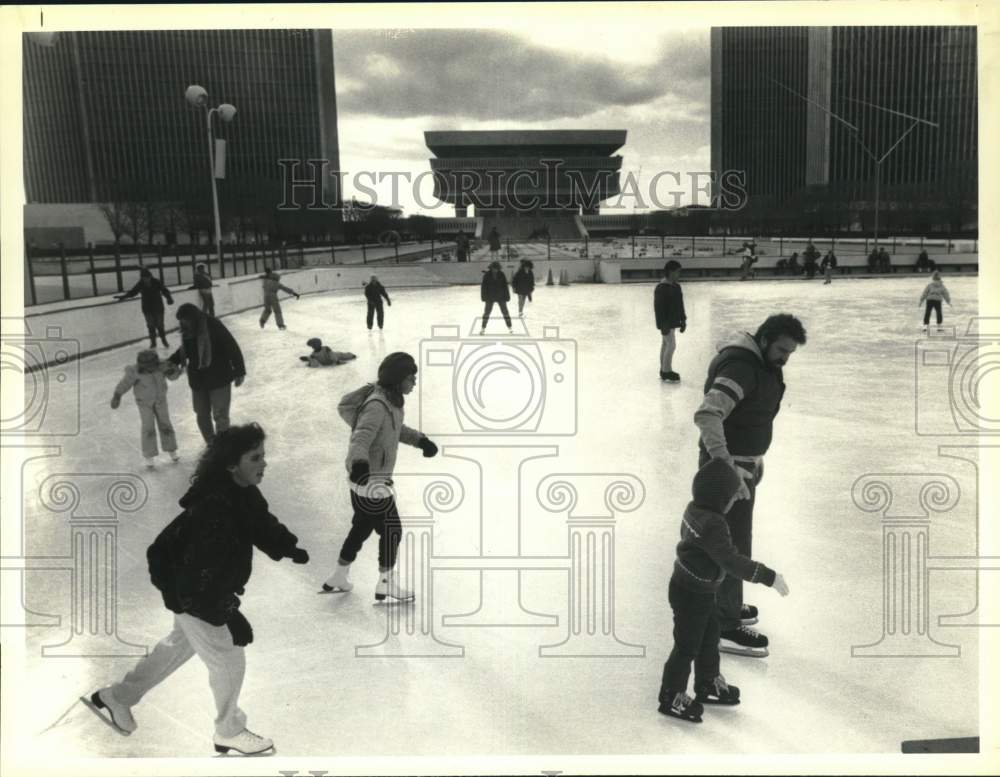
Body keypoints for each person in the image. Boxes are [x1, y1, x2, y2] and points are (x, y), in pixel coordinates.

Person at [87, 423, 310, 755]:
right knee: (229, 658)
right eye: (255, 458)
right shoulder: (214, 512)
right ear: (232, 465)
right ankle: (229, 729)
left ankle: (115, 697)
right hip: (189, 590)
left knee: (177, 648)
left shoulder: (241, 491)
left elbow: (261, 522)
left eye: (263, 455)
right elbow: (199, 577)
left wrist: (287, 546)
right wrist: (229, 615)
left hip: (194, 587)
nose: (264, 463)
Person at [693, 313, 806, 658]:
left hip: (743, 465)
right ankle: (725, 624)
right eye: (783, 350)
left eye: (790, 353)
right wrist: (726, 464)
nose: (785, 358)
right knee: (732, 543)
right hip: (731, 471)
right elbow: (708, 414)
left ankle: (727, 602)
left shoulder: (759, 363)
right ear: (766, 338)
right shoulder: (741, 367)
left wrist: (755, 458)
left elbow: (750, 415)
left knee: (734, 540)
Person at [658, 459, 790, 723]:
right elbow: (732, 561)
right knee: (686, 646)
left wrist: (731, 473)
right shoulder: (713, 526)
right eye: (731, 496)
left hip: (697, 589)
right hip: (691, 594)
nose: (734, 501)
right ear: (721, 500)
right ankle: (671, 695)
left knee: (710, 637)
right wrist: (768, 576)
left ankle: (707, 683)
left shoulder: (694, 509)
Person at [322, 353, 439, 601]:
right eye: (411, 377)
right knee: (392, 530)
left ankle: (339, 575)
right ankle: (385, 582)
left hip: (367, 480)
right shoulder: (377, 405)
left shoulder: (391, 402)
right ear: (398, 379)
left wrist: (421, 440)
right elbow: (361, 437)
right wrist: (360, 465)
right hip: (370, 481)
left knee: (361, 527)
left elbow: (395, 431)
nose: (414, 382)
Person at [169, 304, 246, 445]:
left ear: (193, 318)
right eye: (181, 321)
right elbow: (186, 349)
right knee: (202, 414)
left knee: (220, 415)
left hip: (219, 377)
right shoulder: (188, 331)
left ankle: (222, 447)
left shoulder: (213, 325)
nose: (182, 324)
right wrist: (172, 360)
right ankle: (211, 444)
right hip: (198, 380)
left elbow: (231, 345)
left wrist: (239, 370)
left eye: (185, 320)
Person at [110, 349, 183, 469]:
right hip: (144, 403)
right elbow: (125, 383)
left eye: (152, 366)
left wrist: (176, 371)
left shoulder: (162, 366)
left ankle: (172, 449)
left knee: (165, 424)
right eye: (147, 367)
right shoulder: (134, 371)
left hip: (160, 401)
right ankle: (149, 455)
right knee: (148, 426)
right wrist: (117, 395)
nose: (150, 369)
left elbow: (173, 377)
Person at [115, 268, 174, 349]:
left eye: (146, 278)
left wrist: (169, 298)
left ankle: (164, 340)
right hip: (147, 308)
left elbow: (165, 290)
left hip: (158, 307)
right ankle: (153, 343)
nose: (145, 280)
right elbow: (133, 292)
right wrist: (123, 297)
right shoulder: (141, 283)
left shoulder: (156, 282)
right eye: (143, 278)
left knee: (160, 325)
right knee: (150, 326)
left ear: (150, 277)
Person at [654, 260, 686, 383]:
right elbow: (658, 308)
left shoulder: (677, 286)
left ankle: (663, 369)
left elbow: (680, 305)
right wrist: (662, 324)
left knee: (666, 344)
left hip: (673, 321)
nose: (679, 275)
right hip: (666, 323)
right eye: (677, 272)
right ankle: (666, 371)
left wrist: (683, 320)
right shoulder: (661, 288)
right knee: (671, 345)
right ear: (670, 272)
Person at [480, 260, 512, 335]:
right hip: (489, 297)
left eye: (496, 268)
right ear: (491, 268)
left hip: (501, 296)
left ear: (498, 268)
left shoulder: (501, 274)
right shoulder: (487, 275)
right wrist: (483, 297)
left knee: (505, 312)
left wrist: (507, 296)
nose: (495, 270)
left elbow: (505, 286)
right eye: (494, 268)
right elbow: (483, 287)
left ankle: (510, 327)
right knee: (486, 313)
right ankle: (483, 328)